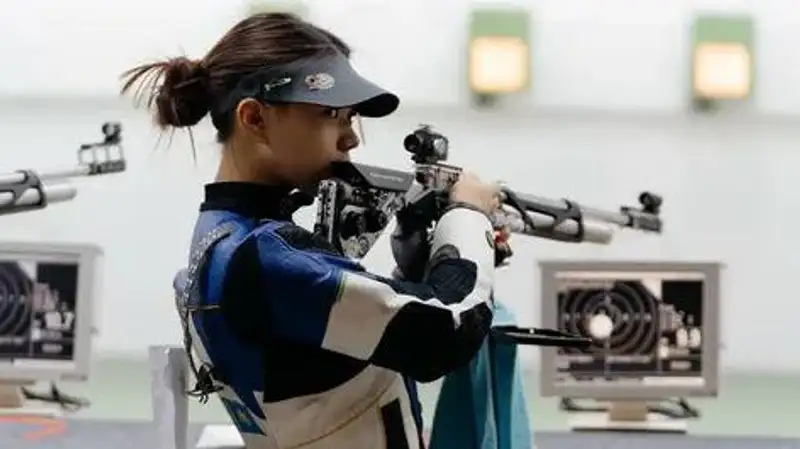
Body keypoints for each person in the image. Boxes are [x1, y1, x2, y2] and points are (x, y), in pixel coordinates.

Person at [122, 12, 501, 449]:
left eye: (350, 118)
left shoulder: (226, 237)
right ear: (255, 119)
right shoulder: (266, 257)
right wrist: (469, 215)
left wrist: (418, 263)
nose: (351, 138)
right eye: (331, 114)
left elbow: (350, 351)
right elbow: (446, 331)